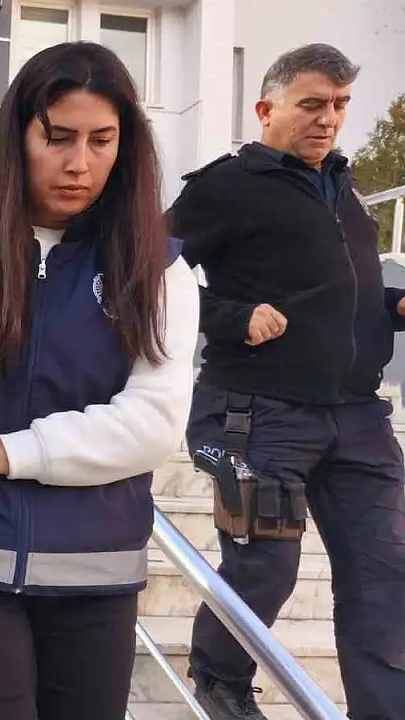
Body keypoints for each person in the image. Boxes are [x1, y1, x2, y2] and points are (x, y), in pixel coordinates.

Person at [0, 42, 199, 720]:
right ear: (18, 137)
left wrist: (4, 451)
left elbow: (153, 421)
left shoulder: (157, 268)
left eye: (101, 140)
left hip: (98, 563)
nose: (79, 162)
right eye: (57, 137)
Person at [169, 43, 405, 720]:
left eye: (340, 105)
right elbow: (139, 277)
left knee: (387, 576)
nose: (329, 118)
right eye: (313, 104)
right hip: (253, 415)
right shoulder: (223, 186)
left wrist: (393, 305)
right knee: (264, 567)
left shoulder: (344, 191)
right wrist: (231, 317)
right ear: (266, 109)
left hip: (357, 418)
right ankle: (219, 676)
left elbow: (336, 292)